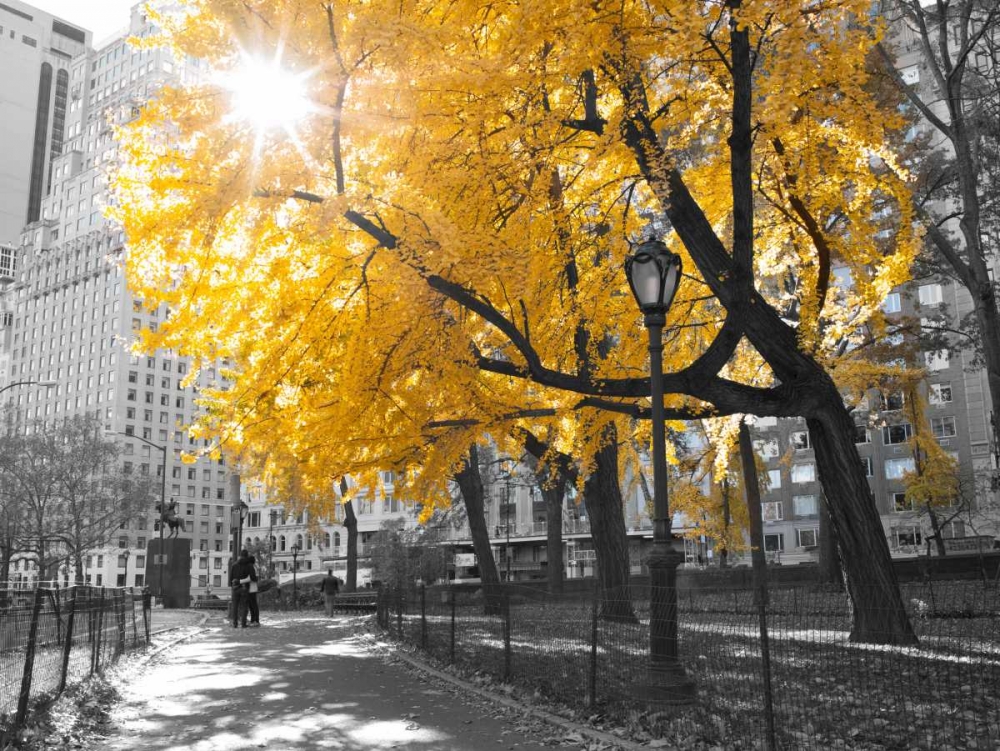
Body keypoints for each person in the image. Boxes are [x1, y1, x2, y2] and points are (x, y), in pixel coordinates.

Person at [229, 550, 255, 628]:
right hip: (244, 588)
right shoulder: (249, 565)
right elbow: (253, 577)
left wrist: (233, 585)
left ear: (240, 556)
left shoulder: (234, 565)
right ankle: (243, 624)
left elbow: (230, 579)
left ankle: (235, 623)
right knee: (244, 606)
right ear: (247, 556)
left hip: (235, 588)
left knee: (235, 606)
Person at [247, 554, 261, 627]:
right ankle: (254, 620)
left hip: (251, 588)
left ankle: (255, 620)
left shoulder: (251, 567)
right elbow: (254, 577)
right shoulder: (253, 567)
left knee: (252, 605)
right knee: (253, 605)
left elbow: (252, 577)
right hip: (253, 588)